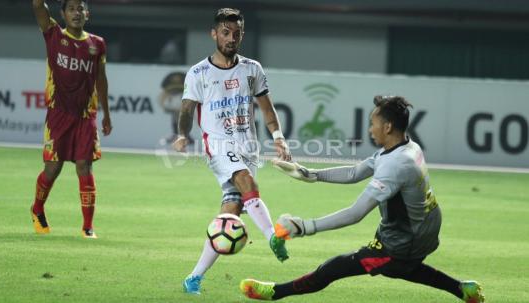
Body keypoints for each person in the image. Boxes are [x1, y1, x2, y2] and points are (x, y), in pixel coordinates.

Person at [240, 96, 485, 303]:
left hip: (406, 238)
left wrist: (305, 227)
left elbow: (355, 214)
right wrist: (310, 175)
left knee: (336, 267)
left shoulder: (396, 165)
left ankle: (275, 292)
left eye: (373, 124)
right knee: (398, 267)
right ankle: (463, 289)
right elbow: (354, 173)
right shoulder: (406, 148)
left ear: (387, 127)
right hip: (422, 225)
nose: (370, 129)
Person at [173, 8, 292, 295]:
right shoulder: (199, 73)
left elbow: (267, 108)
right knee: (246, 182)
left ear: (242, 34)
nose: (231, 38)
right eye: (225, 32)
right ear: (214, 34)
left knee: (229, 217)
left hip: (247, 146)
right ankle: (271, 236)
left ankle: (194, 278)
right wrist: (181, 135)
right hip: (217, 144)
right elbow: (187, 109)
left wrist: (278, 137)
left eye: (236, 33)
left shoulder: (253, 69)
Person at [30, 0, 112, 239]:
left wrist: (106, 113)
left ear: (88, 13)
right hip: (58, 115)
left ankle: (88, 226)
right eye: (71, 8)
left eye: (80, 8)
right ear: (63, 14)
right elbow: (37, 7)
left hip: (86, 116)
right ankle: (37, 209)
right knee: (52, 169)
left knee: (84, 166)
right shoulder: (54, 34)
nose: (76, 12)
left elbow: (101, 79)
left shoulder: (97, 44)